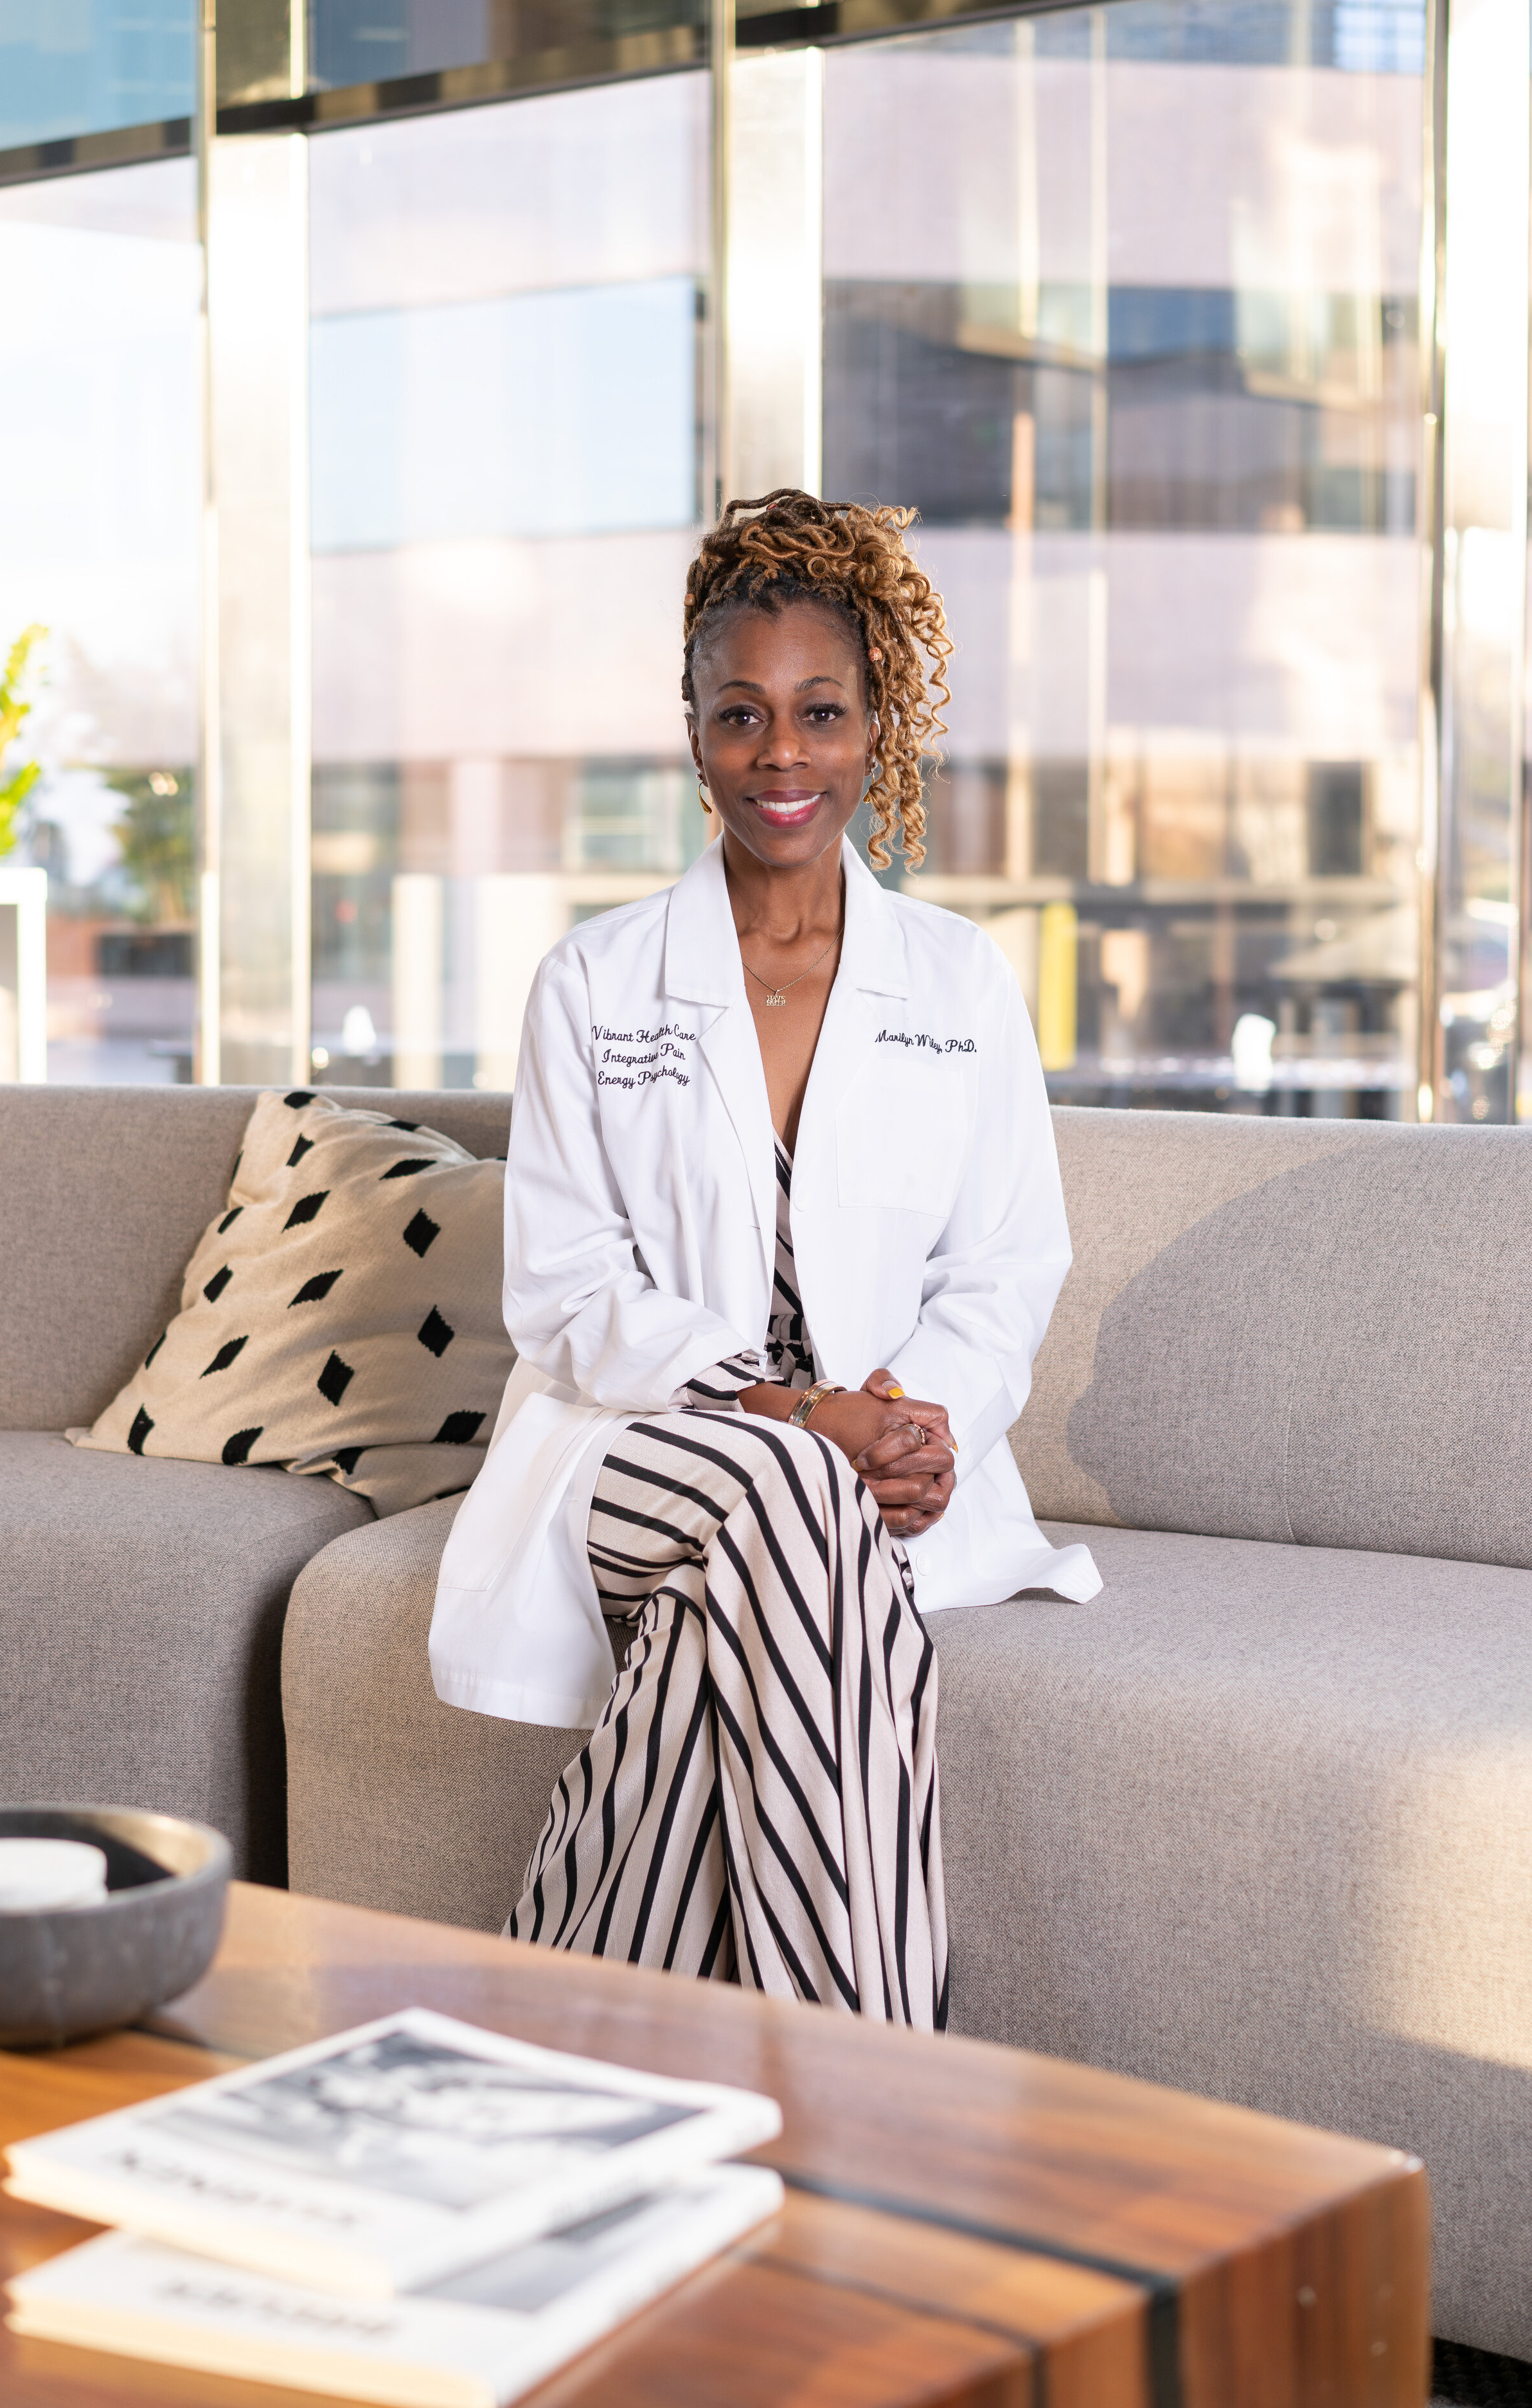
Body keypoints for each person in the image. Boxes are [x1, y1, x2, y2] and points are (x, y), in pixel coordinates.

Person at [429, 488, 1100, 2030]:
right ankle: (882, 2079)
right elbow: (568, 1291)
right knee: (794, 1491)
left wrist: (912, 1418)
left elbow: (1007, 1260)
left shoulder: (957, 978)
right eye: (740, 713)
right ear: (690, 728)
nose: (778, 753)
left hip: (881, 1465)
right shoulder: (594, 980)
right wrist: (810, 1421)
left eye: (816, 711)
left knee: (765, 1566)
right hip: (631, 1450)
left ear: (878, 722)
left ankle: (564, 2031)